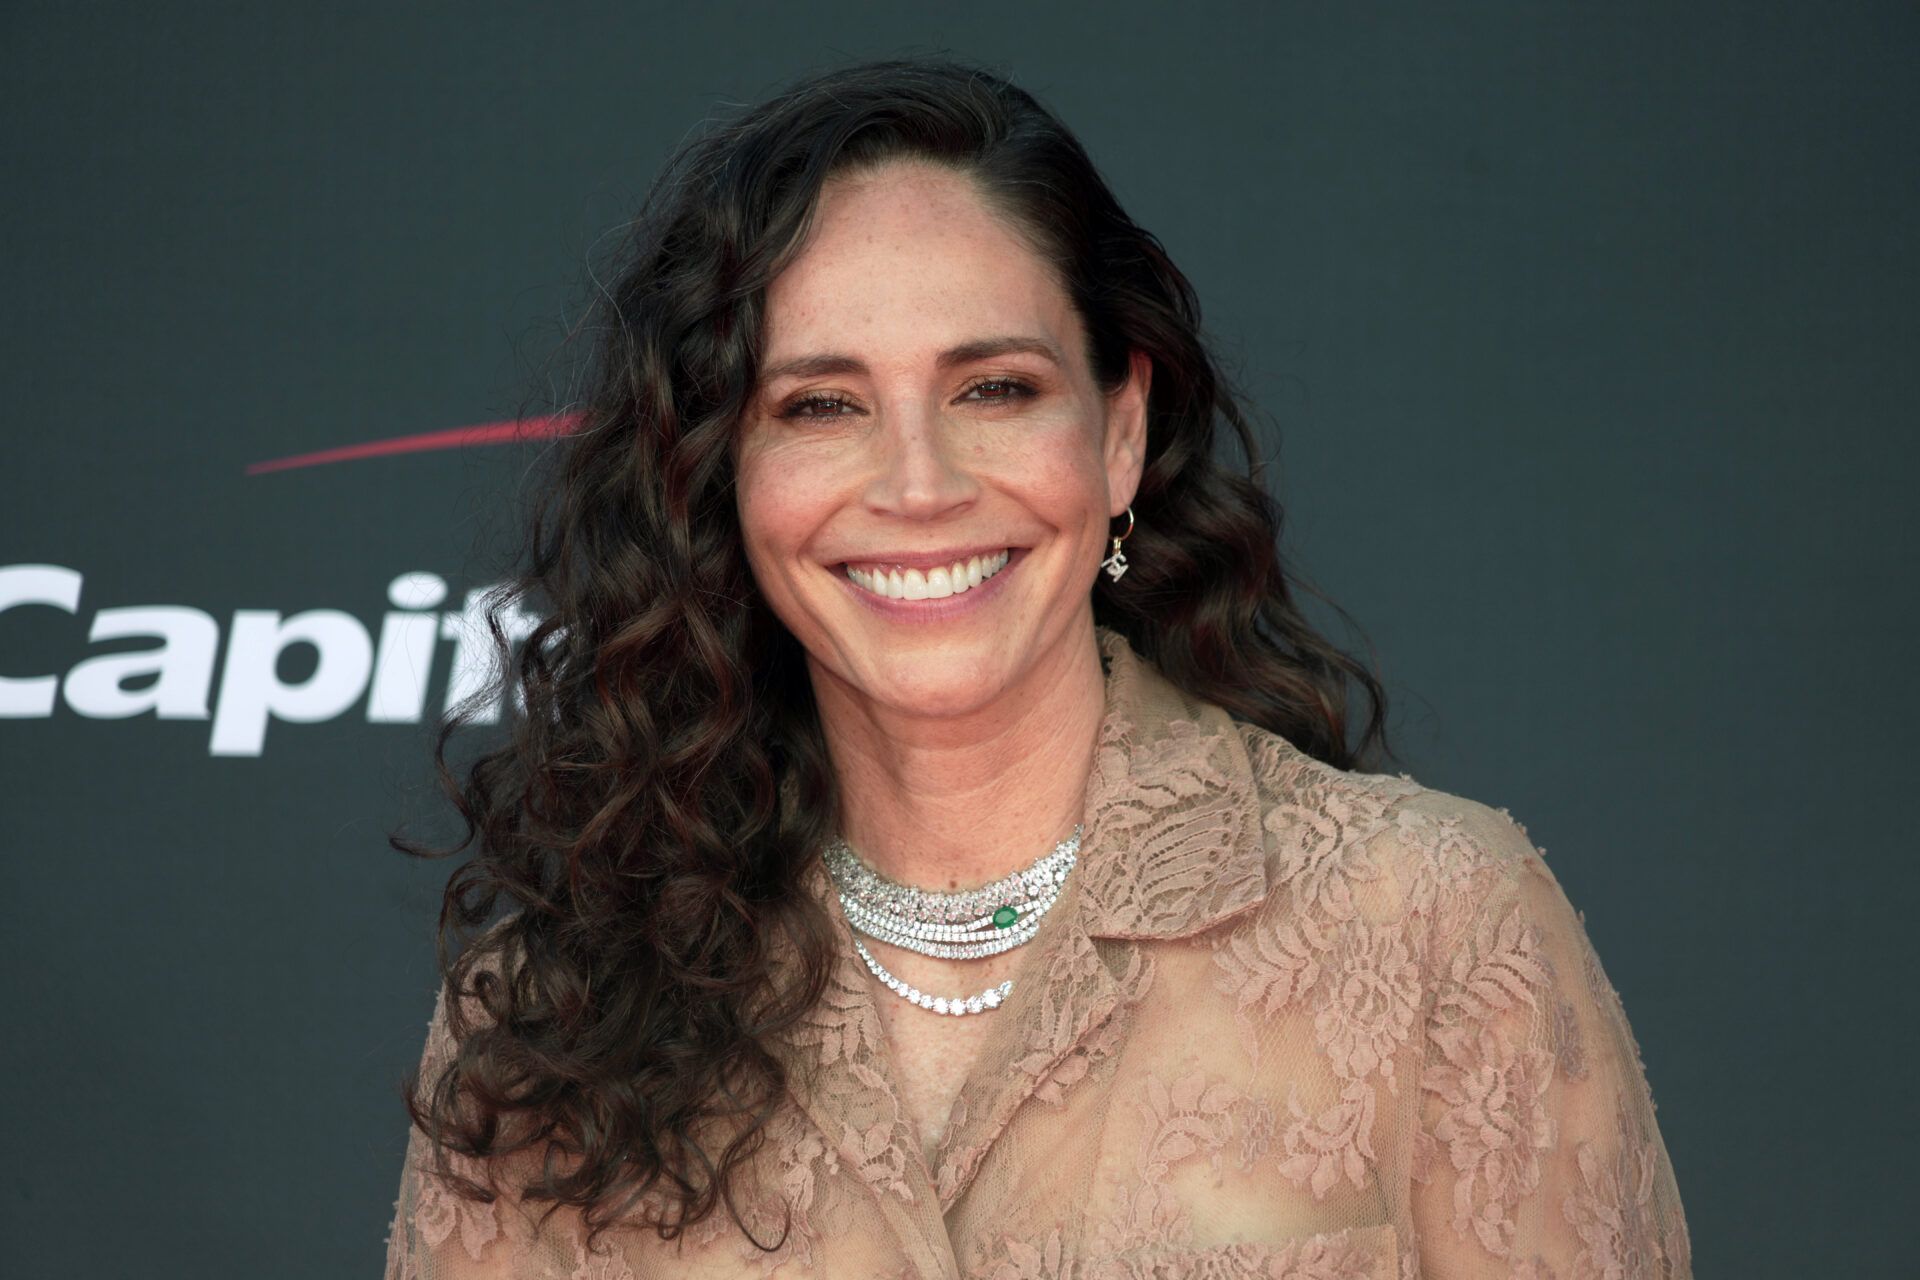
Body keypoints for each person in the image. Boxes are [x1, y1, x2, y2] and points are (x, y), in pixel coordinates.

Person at [383, 56, 1689, 1280]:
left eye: (993, 389)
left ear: (1118, 435)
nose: (918, 486)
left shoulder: (1437, 936)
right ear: (723, 481)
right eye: (820, 406)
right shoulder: (542, 1031)